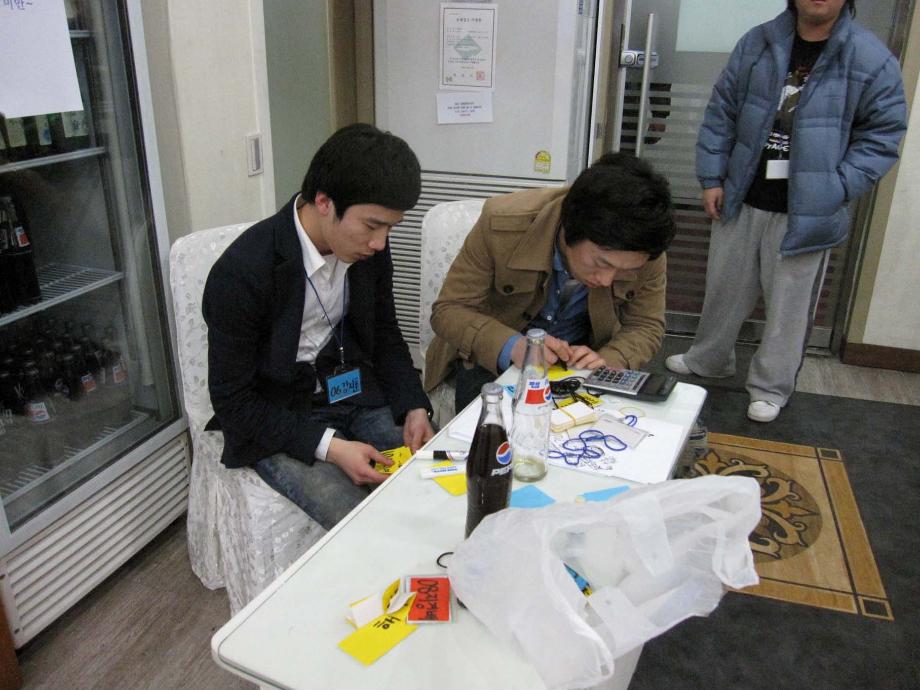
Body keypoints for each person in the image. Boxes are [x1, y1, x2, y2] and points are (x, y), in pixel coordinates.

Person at [666, 0, 906, 423]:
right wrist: (712, 177)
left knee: (788, 309)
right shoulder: (759, 41)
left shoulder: (870, 57)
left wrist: (838, 186)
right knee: (723, 290)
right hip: (742, 194)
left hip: (808, 210)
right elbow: (722, 110)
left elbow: (882, 135)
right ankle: (709, 359)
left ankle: (770, 388)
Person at [202, 124, 434, 529]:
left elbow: (384, 332)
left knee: (440, 474)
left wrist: (413, 403)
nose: (380, 243)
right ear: (324, 202)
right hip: (278, 413)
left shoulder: (369, 250)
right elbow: (232, 400)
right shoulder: (242, 272)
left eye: (390, 228)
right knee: (358, 521)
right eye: (372, 226)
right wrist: (331, 447)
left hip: (352, 391)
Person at [425, 152, 676, 411]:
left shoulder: (644, 248)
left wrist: (610, 358)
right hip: (494, 357)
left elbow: (646, 325)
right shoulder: (501, 223)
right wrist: (513, 346)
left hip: (581, 366)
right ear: (570, 228)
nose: (606, 280)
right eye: (602, 263)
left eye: (624, 271)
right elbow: (449, 310)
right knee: (493, 429)